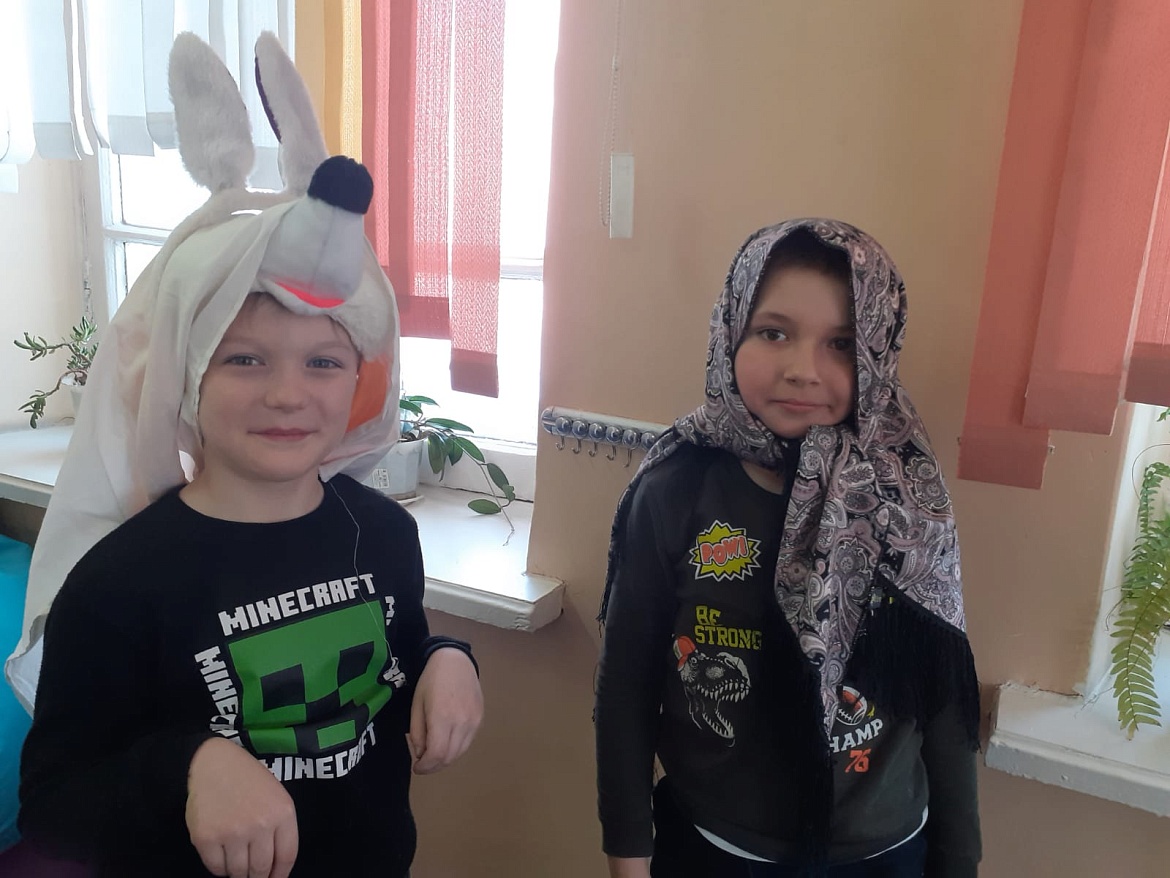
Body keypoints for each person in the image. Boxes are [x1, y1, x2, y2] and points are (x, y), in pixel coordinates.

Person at [14, 32, 482, 878]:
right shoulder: (120, 581)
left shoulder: (383, 534)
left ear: (361, 384)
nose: (287, 394)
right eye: (245, 359)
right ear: (185, 376)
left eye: (323, 363)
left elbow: (394, 657)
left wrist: (448, 659)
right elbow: (55, 804)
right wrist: (189, 764)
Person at [595, 219, 981, 878]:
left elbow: (942, 697)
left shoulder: (908, 494)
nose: (803, 370)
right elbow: (626, 687)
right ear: (731, 332)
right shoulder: (675, 489)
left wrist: (960, 860)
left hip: (885, 853)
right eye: (774, 333)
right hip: (716, 848)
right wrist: (628, 857)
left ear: (876, 355)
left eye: (841, 344)